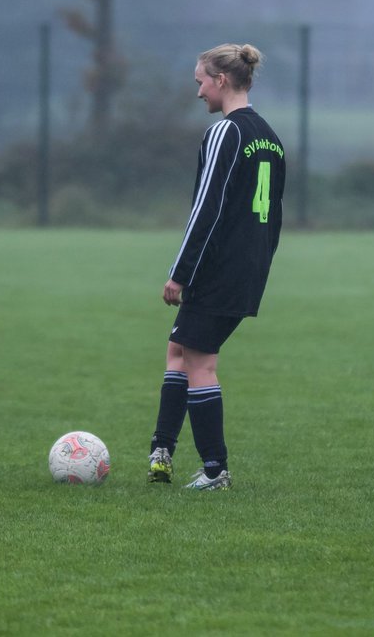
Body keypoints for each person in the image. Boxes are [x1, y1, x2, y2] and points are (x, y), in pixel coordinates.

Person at [147, 43, 286, 491]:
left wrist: (180, 272)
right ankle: (161, 451)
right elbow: (275, 215)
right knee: (179, 351)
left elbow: (206, 209)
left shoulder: (226, 132)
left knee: (200, 364)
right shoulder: (269, 136)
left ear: (221, 80)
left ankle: (214, 470)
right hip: (248, 268)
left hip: (217, 266)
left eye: (200, 82)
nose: (198, 92)